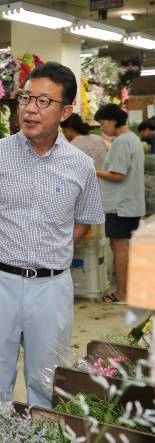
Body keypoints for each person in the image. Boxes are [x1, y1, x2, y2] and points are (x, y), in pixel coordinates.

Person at [0, 62, 104, 409]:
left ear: (66, 110)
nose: (30, 109)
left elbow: (83, 223)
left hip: (51, 287)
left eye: (43, 101)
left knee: (49, 380)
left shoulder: (80, 165)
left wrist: (47, 247)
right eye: (26, 98)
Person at [94, 104, 145, 305]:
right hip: (131, 203)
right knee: (125, 248)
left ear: (114, 121)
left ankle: (121, 294)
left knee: (119, 248)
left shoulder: (121, 141)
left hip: (120, 205)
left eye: (103, 123)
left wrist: (93, 170)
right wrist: (101, 169)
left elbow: (117, 175)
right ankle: (129, 290)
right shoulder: (133, 138)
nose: (102, 128)